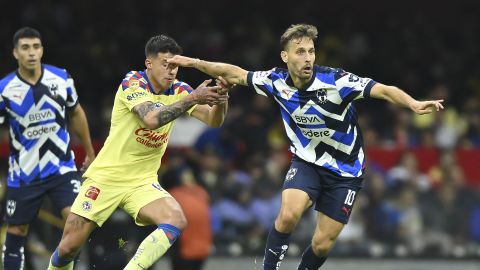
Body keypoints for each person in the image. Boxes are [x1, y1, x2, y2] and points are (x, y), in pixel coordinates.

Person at [167, 24, 444, 270]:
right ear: (285, 56)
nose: (308, 57)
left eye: (311, 51)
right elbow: (234, 73)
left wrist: (413, 103)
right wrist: (191, 61)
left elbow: (383, 89)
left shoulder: (337, 81)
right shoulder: (275, 81)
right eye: (300, 52)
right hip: (307, 162)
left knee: (322, 244)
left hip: (345, 171)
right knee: (288, 215)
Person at [47, 34, 229, 270]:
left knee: (175, 219)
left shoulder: (180, 90)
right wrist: (194, 97)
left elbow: (213, 121)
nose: (172, 70)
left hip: (142, 182)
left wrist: (222, 98)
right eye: (165, 64)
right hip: (106, 177)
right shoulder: (132, 83)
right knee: (69, 247)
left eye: (175, 65)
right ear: (149, 63)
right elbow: (151, 120)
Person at [0, 27, 96, 270]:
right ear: (15, 53)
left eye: (35, 46)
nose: (31, 52)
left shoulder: (61, 79)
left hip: (61, 168)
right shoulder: (5, 89)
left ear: (41, 50)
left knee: (78, 222)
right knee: (17, 230)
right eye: (25, 48)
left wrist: (89, 152)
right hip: (24, 173)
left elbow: (76, 112)